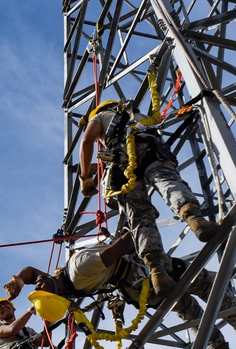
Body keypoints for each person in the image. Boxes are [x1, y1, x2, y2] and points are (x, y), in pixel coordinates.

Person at [4, 235, 236, 349]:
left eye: (37, 285)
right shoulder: (77, 269)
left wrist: (17, 280)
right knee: (208, 283)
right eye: (40, 286)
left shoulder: (65, 290)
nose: (37, 281)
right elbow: (123, 246)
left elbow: (31, 273)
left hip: (139, 291)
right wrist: (136, 224)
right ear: (53, 291)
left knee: (191, 312)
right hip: (150, 274)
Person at [78, 99, 219, 296]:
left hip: (122, 161)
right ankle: (195, 219)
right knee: (167, 182)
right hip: (151, 149)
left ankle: (157, 271)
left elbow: (86, 141)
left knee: (139, 216)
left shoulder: (101, 117)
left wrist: (85, 176)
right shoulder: (139, 117)